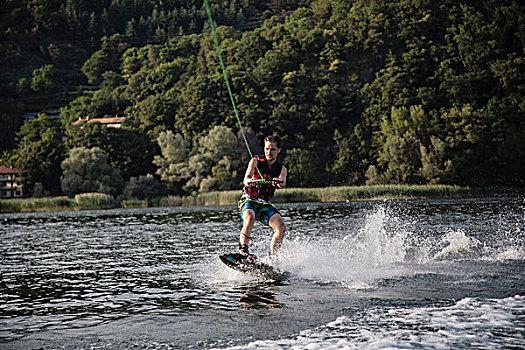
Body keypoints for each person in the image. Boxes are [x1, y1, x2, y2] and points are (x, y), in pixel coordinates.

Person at [238, 135, 287, 258]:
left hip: (264, 203)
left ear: (279, 150)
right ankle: (243, 250)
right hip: (249, 199)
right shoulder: (255, 161)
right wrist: (251, 181)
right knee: (249, 218)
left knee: (281, 227)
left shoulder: (282, 168)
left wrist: (278, 181)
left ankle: (272, 258)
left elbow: (283, 182)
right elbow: (246, 179)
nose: (268, 152)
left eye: (272, 149)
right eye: (266, 149)